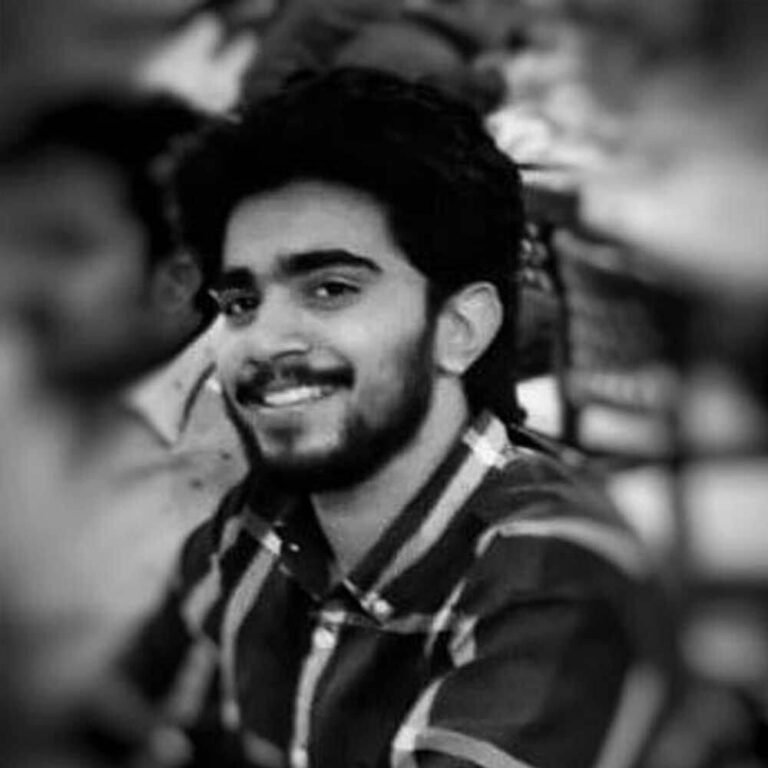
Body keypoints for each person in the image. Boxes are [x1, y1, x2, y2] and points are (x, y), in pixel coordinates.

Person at [122, 68, 673, 768]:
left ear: (459, 329)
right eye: (241, 303)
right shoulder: (254, 531)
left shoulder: (554, 577)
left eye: (330, 288)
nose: (263, 341)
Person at [0, 92, 248, 721]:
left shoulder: (259, 458)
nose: (17, 282)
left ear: (177, 281)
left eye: (68, 247)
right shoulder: (32, 372)